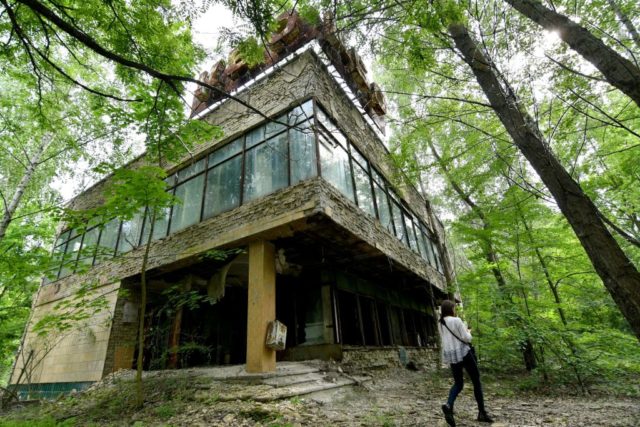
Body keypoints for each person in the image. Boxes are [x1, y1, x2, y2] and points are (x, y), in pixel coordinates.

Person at [439, 300, 493, 427]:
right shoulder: (456, 320)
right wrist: (469, 331)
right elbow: (466, 338)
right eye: (454, 308)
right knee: (476, 381)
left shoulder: (440, 323)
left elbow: (446, 339)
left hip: (452, 356)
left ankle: (448, 405)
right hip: (464, 353)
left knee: (458, 383)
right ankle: (482, 413)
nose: (455, 310)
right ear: (451, 309)